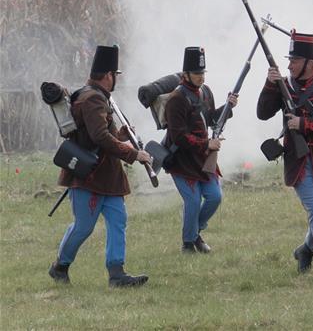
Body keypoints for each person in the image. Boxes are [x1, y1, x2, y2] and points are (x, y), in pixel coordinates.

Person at [49, 45, 153, 287]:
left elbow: (101, 133)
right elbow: (100, 137)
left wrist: (121, 135)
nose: (116, 78)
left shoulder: (95, 96)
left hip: (107, 176)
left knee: (118, 220)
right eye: (115, 74)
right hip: (90, 177)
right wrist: (133, 154)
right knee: (83, 227)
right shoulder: (93, 98)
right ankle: (60, 267)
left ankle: (117, 273)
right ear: (108, 75)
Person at [257, 31, 313, 272]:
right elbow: (262, 113)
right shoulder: (283, 86)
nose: (290, 65)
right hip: (298, 160)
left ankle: (305, 250)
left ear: (310, 63)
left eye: (295, 60)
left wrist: (303, 124)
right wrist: (270, 84)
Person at [164, 47, 237, 254]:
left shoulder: (205, 92)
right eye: (197, 73)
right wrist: (206, 144)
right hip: (182, 159)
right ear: (186, 74)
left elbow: (211, 119)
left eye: (202, 73)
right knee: (193, 200)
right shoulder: (176, 99)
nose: (201, 77)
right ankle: (188, 243)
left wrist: (228, 107)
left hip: (203, 157)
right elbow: (178, 136)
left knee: (215, 197)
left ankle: (194, 232)